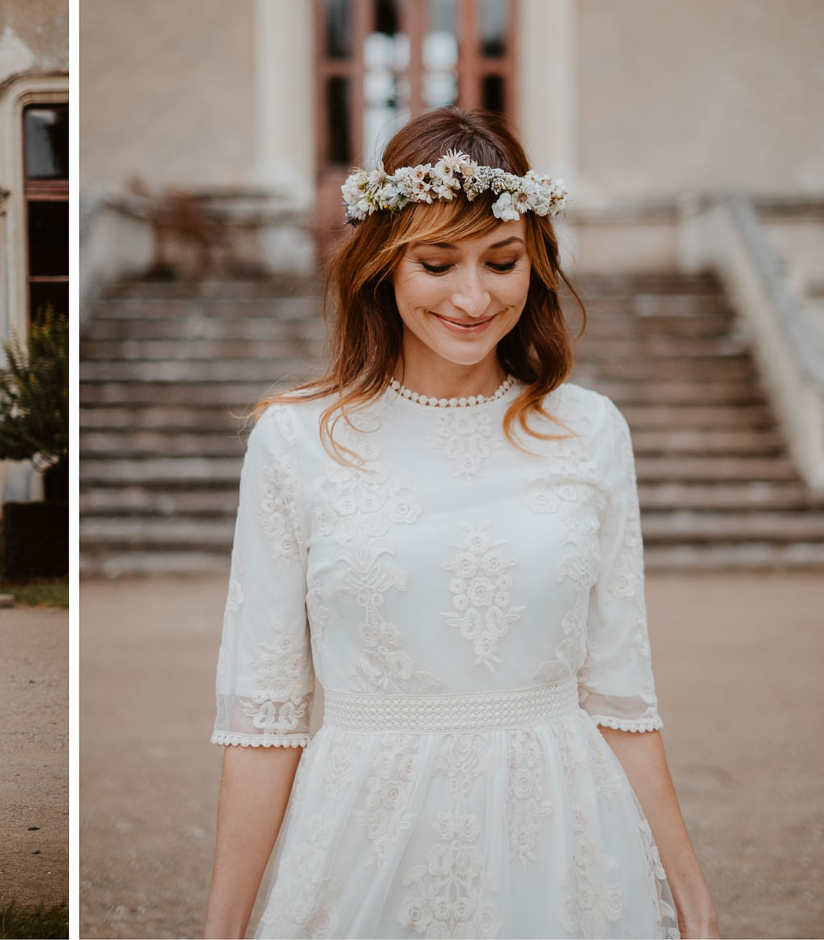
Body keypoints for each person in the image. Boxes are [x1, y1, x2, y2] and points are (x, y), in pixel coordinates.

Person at [201, 107, 719, 939]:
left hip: (565, 848)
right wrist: (220, 932)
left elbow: (622, 695)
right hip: (363, 840)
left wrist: (690, 895)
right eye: (438, 263)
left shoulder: (590, 432)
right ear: (383, 265)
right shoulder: (296, 439)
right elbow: (264, 718)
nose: (473, 297)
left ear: (536, 262)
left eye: (502, 261)